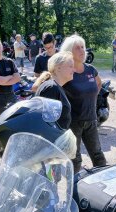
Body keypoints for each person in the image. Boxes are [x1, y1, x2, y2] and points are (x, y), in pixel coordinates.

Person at [60, 34, 107, 173]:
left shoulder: (90, 69)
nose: (82, 51)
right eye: (77, 48)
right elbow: (55, 88)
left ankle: (104, 184)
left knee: (98, 156)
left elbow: (99, 83)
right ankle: (74, 189)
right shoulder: (66, 71)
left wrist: (91, 97)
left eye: (83, 47)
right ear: (69, 52)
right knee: (75, 159)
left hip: (91, 119)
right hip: (73, 122)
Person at [34, 51, 74, 129]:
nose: (74, 70)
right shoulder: (52, 88)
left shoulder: (55, 87)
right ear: (58, 68)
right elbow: (46, 124)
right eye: (70, 66)